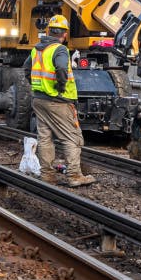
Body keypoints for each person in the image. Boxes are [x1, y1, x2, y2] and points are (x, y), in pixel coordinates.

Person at [22, 14, 95, 187]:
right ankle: (74, 175)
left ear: (48, 31)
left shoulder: (37, 49)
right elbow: (62, 67)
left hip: (39, 99)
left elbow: (26, 69)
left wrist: (36, 84)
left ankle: (47, 175)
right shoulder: (59, 49)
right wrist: (61, 86)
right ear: (64, 34)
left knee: (45, 137)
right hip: (58, 101)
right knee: (71, 137)